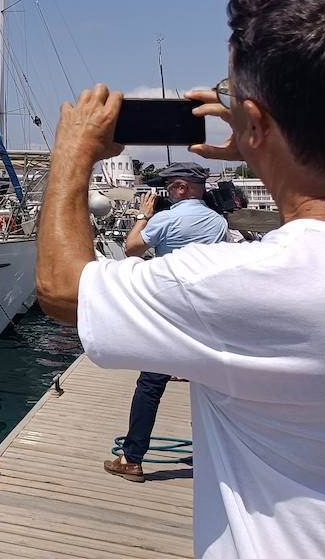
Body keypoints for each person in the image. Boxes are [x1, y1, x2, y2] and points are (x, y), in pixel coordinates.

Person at [36, 0, 325, 557]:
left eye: (230, 93)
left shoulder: (230, 285)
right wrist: (266, 145)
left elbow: (63, 290)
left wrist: (71, 154)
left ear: (252, 121)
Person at [107, 162, 228, 483]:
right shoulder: (218, 222)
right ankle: (208, 450)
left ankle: (132, 459)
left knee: (150, 385)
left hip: (171, 314)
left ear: (182, 188)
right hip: (204, 315)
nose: (166, 193)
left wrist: (143, 215)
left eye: (169, 186)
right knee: (207, 385)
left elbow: (131, 249)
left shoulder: (166, 218)